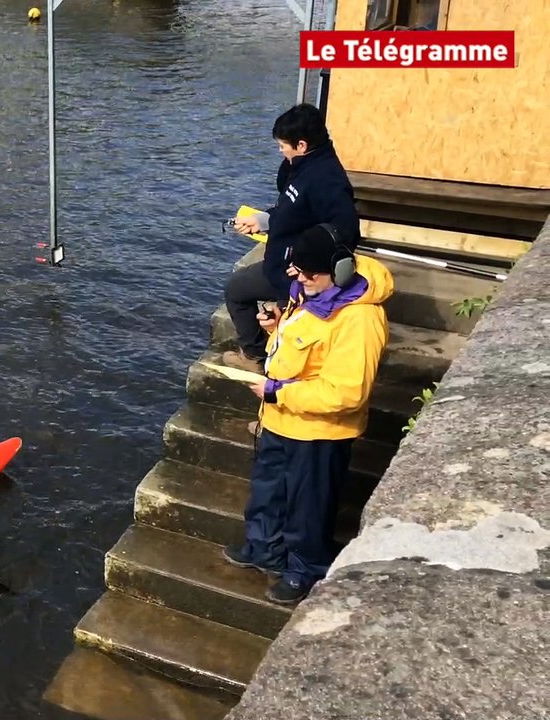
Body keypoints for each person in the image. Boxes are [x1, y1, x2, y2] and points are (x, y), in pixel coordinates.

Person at [222, 224, 392, 606]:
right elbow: (301, 349)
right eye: (295, 270)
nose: (296, 278)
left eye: (306, 272)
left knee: (308, 506)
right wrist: (275, 328)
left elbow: (346, 393)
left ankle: (305, 569)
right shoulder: (311, 292)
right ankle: (262, 548)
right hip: (281, 420)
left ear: (341, 271)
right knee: (267, 490)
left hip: (319, 432)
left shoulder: (360, 321)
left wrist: (279, 391)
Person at [223, 103, 361, 373]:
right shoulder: (302, 165)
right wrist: (263, 220)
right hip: (277, 263)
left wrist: (306, 267)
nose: (280, 150)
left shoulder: (327, 180)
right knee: (236, 288)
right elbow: (293, 209)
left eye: (283, 145)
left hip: (296, 275)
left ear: (301, 144)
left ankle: (266, 368)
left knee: (246, 300)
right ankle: (255, 354)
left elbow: (345, 231)